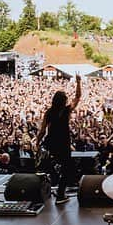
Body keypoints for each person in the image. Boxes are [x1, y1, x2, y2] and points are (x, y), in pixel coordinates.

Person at [35, 75, 81, 204]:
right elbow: (77, 97)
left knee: (50, 166)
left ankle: (48, 188)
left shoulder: (49, 112)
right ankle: (61, 195)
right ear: (64, 101)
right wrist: (78, 82)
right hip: (63, 143)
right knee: (67, 169)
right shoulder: (66, 111)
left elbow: (43, 130)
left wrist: (37, 142)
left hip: (50, 143)